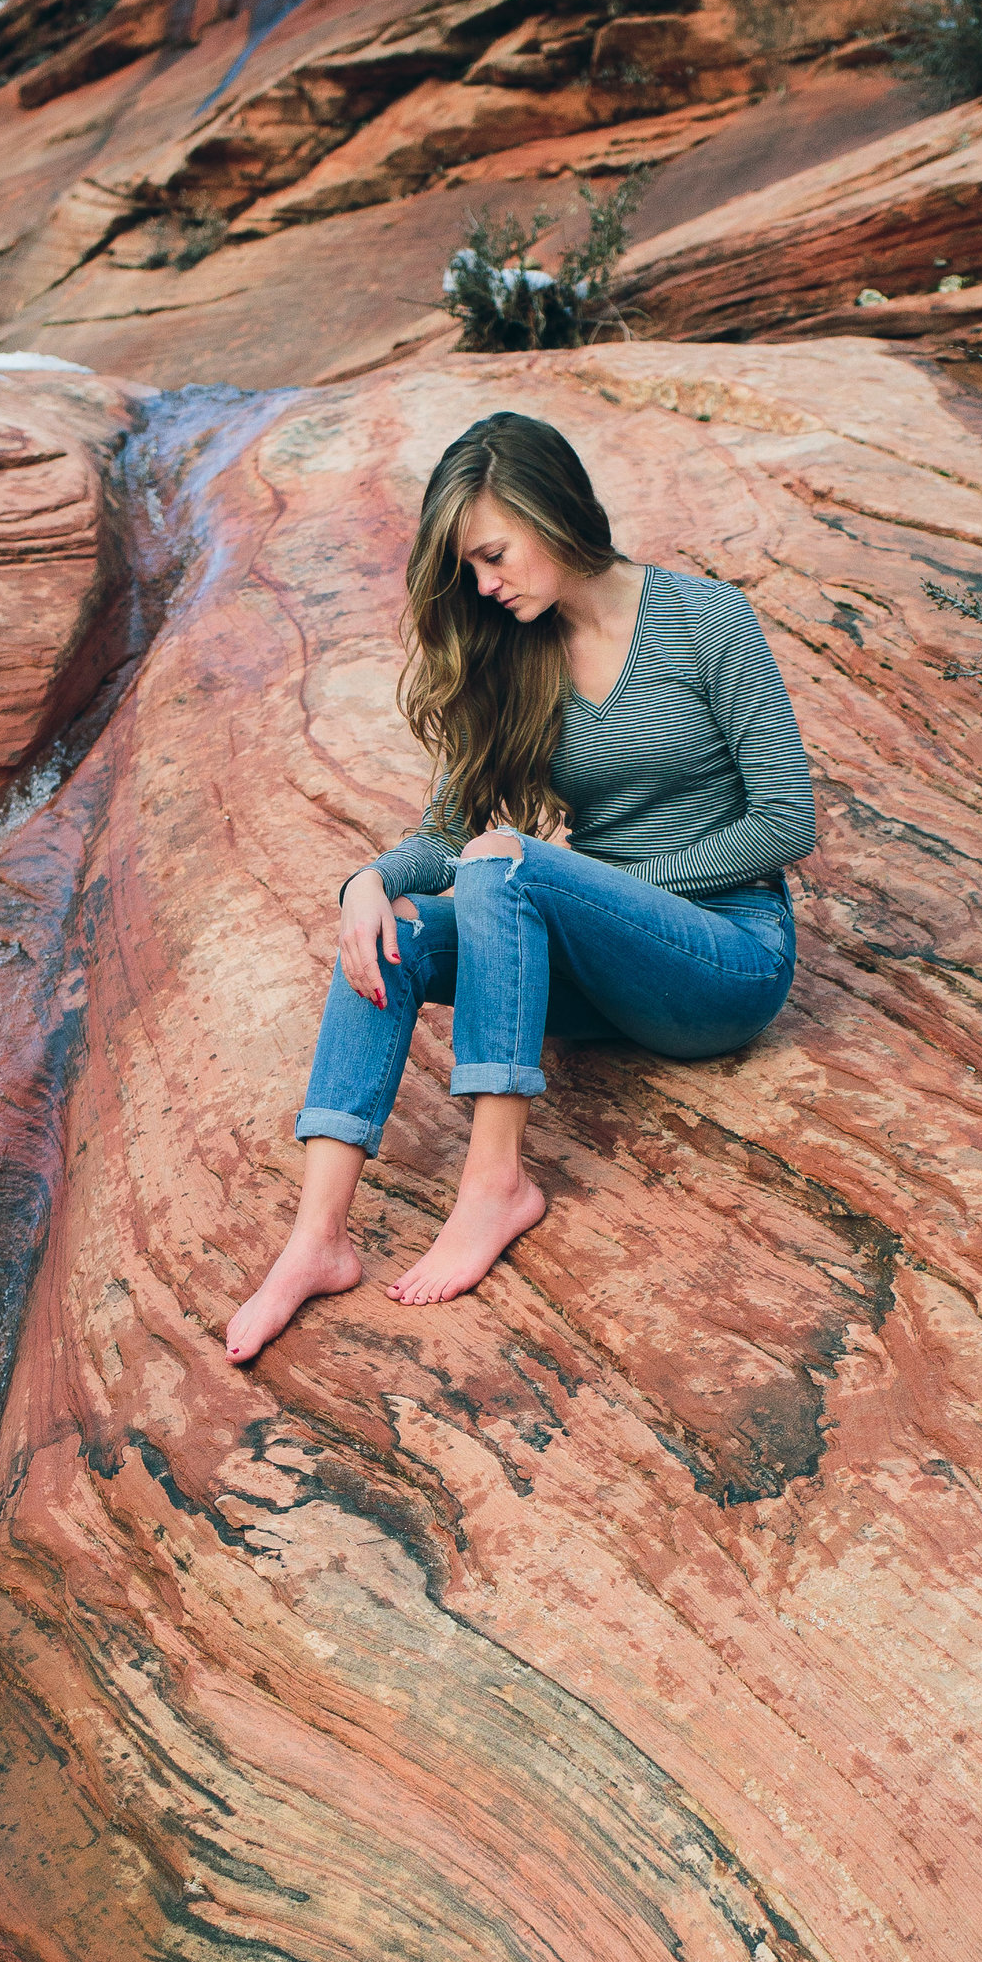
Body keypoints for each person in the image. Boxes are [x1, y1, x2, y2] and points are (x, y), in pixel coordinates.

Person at [226, 410, 816, 1365]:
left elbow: (787, 822)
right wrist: (367, 881)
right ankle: (317, 1239)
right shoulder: (518, 648)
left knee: (508, 864)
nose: (486, 585)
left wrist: (587, 881)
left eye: (493, 555)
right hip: (600, 973)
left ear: (552, 510)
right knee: (404, 926)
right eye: (471, 571)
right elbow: (448, 832)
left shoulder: (708, 621)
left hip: (725, 961)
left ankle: (495, 1185)